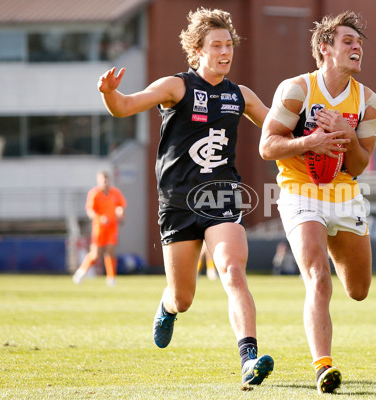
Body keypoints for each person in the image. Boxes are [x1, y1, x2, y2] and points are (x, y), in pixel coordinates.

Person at [96, 8, 274, 386]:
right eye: (217, 45)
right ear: (197, 50)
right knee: (183, 297)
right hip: (177, 203)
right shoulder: (176, 87)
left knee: (232, 270)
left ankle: (249, 358)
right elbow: (126, 106)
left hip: (221, 198)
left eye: (229, 45)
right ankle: (166, 307)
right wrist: (111, 95)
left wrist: (316, 129)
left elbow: (277, 125)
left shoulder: (240, 95)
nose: (225, 52)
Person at [259, 11, 376, 394]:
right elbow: (267, 146)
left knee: (358, 290)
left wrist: (346, 133)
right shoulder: (295, 89)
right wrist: (308, 142)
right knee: (317, 276)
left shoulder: (368, 102)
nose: (357, 47)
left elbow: (360, 166)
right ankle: (323, 367)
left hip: (345, 195)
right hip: (300, 191)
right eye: (348, 41)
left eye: (359, 43)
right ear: (325, 49)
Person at [73, 170, 127, 286]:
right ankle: (81, 272)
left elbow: (120, 207)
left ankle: (111, 278)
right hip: (99, 227)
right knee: (95, 254)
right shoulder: (95, 193)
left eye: (107, 178)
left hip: (112, 227)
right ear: (99, 180)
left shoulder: (115, 193)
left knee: (110, 252)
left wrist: (120, 213)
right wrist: (100, 218)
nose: (105, 181)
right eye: (103, 179)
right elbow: (90, 211)